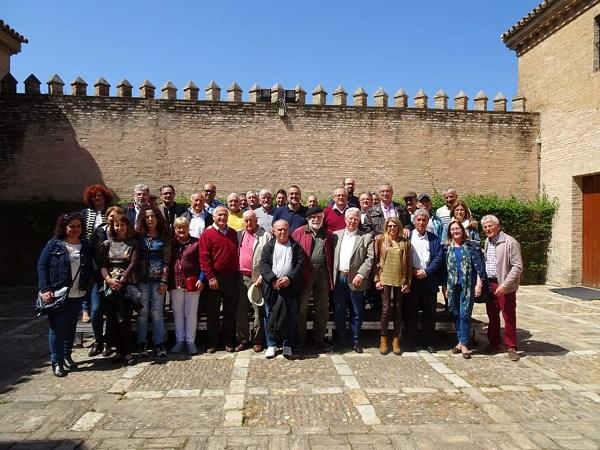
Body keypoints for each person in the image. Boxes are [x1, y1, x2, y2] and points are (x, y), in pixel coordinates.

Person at [38, 212, 94, 377]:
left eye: (78, 226)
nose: (75, 230)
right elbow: (42, 266)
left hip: (78, 292)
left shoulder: (85, 245)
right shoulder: (54, 245)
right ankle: (56, 361)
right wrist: (45, 289)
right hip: (57, 293)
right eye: (72, 226)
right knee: (57, 328)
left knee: (71, 327)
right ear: (64, 227)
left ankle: (67, 355)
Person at [260, 219, 304, 359]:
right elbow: (264, 265)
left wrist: (289, 278)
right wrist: (273, 280)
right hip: (272, 288)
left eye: (285, 229)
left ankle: (287, 344)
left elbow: (300, 265)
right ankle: (271, 345)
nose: (282, 232)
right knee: (269, 316)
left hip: (290, 288)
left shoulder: (296, 247)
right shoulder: (268, 247)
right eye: (279, 229)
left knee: (290, 317)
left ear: (289, 229)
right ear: (273, 231)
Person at [291, 206, 334, 352]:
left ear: (323, 218)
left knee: (322, 309)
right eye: (313, 217)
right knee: (301, 308)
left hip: (321, 273)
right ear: (308, 219)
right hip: (304, 274)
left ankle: (319, 340)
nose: (316, 220)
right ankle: (300, 340)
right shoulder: (298, 233)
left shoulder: (328, 235)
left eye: (319, 217)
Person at [481, 215, 523, 361]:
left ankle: (511, 346)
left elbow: (517, 266)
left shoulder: (510, 242)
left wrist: (505, 284)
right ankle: (494, 343)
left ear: (497, 226)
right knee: (492, 316)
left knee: (508, 316)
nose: (487, 229)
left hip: (505, 285)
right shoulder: (487, 241)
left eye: (490, 226)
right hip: (490, 284)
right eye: (485, 227)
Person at [331, 208, 374, 353]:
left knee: (356, 312)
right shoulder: (336, 236)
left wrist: (361, 275)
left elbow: (370, 259)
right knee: (339, 311)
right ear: (345, 219)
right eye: (350, 218)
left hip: (356, 280)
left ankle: (355, 340)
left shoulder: (366, 237)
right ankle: (341, 340)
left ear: (359, 220)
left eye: (356, 218)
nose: (352, 221)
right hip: (339, 278)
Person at [444, 220, 488, 359]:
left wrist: (479, 285)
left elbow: (480, 267)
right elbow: (443, 270)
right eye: (452, 229)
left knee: (465, 314)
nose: (455, 231)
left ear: (462, 230)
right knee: (455, 313)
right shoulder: (446, 247)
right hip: (452, 286)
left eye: (458, 228)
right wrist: (445, 286)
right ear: (449, 232)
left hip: (468, 286)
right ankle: (460, 341)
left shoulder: (472, 246)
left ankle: (464, 344)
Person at [100, 213, 140, 366]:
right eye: (117, 225)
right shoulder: (107, 244)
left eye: (122, 225)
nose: (120, 228)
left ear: (127, 226)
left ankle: (128, 352)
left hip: (126, 286)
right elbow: (103, 265)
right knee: (112, 321)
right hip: (111, 287)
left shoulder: (133, 243)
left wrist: (122, 280)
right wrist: (109, 280)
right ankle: (118, 351)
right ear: (113, 227)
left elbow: (134, 263)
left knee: (125, 320)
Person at [199, 206, 240, 353]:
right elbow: (204, 258)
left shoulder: (233, 233)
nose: (222, 217)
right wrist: (210, 277)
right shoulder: (207, 234)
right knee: (213, 311)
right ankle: (213, 342)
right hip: (214, 278)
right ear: (214, 217)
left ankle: (228, 341)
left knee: (230, 311)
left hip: (231, 278)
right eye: (219, 215)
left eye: (224, 215)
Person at [406, 209, 444, 353]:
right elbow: (403, 256)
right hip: (412, 280)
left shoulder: (434, 238)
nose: (421, 222)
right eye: (419, 220)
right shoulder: (407, 237)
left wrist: (426, 271)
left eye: (424, 220)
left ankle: (429, 342)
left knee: (429, 314)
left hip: (429, 281)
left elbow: (439, 257)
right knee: (411, 313)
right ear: (414, 221)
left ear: (428, 222)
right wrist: (413, 271)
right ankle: (411, 341)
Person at [88, 206, 123, 358]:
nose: (113, 219)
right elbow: (91, 252)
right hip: (99, 277)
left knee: (110, 312)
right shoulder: (99, 231)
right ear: (107, 217)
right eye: (110, 216)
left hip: (115, 277)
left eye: (116, 217)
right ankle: (98, 341)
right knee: (96, 310)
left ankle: (109, 343)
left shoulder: (122, 233)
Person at [373, 217, 412, 355]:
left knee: (397, 308)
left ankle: (396, 339)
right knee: (385, 308)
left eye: (394, 226)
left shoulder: (405, 243)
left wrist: (408, 282)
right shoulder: (380, 240)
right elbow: (375, 260)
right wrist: (377, 279)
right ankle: (383, 339)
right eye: (389, 226)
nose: (392, 228)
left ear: (399, 227)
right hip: (385, 277)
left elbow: (408, 264)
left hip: (399, 278)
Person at [135, 205, 170, 358]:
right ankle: (142, 343)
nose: (150, 219)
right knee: (142, 313)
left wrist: (164, 281)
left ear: (157, 218)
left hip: (157, 281)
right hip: (142, 281)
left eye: (153, 216)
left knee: (157, 312)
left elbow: (167, 261)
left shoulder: (163, 236)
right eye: (147, 217)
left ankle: (158, 343)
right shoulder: (138, 237)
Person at [237, 209, 273, 352]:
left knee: (259, 311)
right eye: (245, 220)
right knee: (241, 310)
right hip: (241, 277)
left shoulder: (266, 236)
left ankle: (258, 340)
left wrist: (262, 276)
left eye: (251, 220)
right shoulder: (239, 234)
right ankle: (243, 339)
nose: (248, 223)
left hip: (258, 278)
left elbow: (270, 260)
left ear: (256, 220)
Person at [168, 217, 204, 354]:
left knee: (191, 314)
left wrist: (201, 278)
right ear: (175, 229)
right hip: (175, 283)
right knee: (178, 314)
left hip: (192, 283)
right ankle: (179, 341)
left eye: (184, 227)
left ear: (189, 228)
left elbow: (203, 262)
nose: (181, 230)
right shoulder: (171, 244)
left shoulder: (196, 243)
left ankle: (190, 342)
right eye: (178, 227)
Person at [80, 184, 114, 323]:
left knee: (105, 279)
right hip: (89, 251)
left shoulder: (110, 211)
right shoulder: (85, 213)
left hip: (107, 252)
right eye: (94, 196)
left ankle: (104, 308)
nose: (97, 198)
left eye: (99, 195)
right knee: (88, 280)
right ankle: (85, 309)